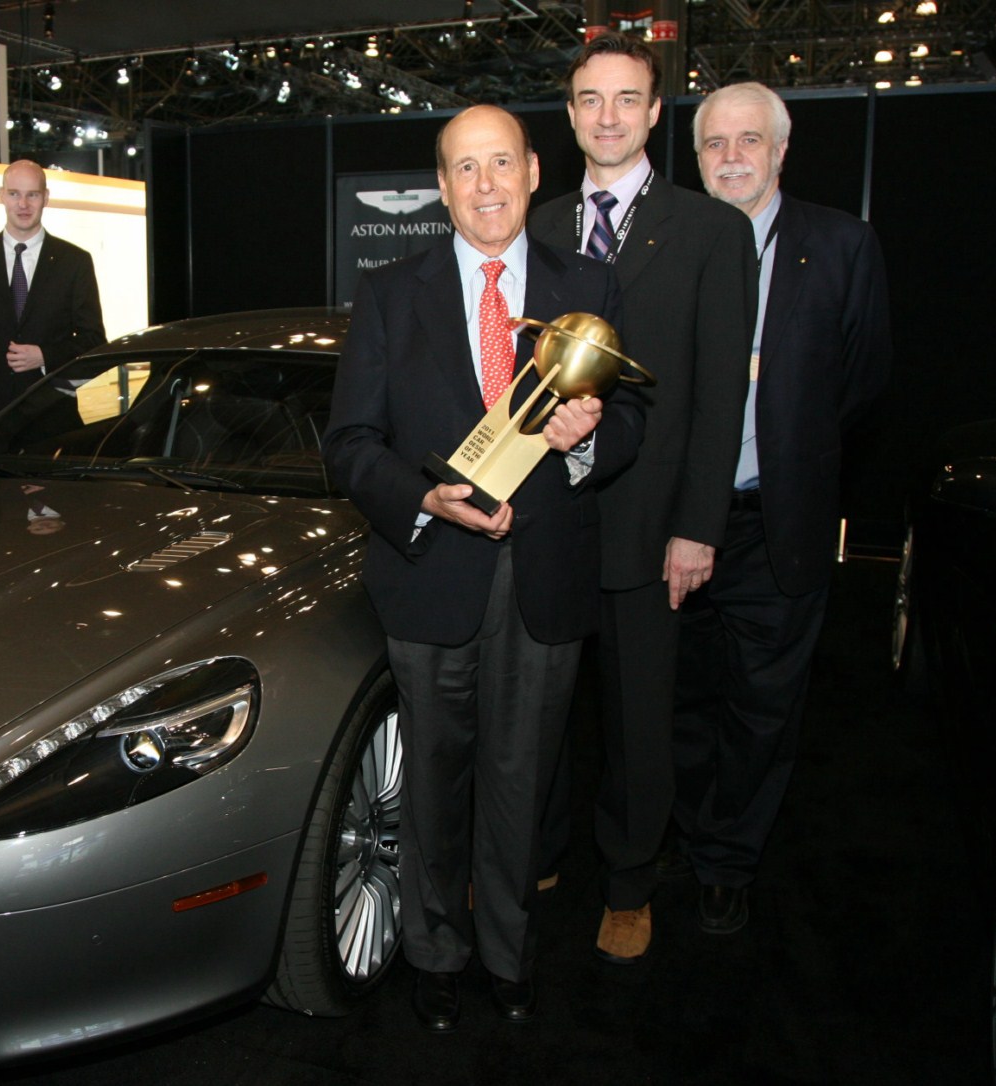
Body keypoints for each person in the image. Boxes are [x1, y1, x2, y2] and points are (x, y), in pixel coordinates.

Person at [324, 104, 644, 1032]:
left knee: (521, 782)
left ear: (534, 171)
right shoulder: (390, 293)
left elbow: (633, 421)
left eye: (500, 162)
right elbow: (350, 444)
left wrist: (587, 441)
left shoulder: (591, 286)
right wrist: (423, 499)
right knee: (432, 780)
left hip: (545, 580)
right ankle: (435, 951)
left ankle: (508, 955)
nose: (486, 185)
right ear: (441, 187)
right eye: (465, 168)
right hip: (430, 573)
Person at [528, 30, 756, 965]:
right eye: (591, 99)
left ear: (657, 113)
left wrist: (698, 527)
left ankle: (628, 883)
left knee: (638, 721)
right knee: (537, 714)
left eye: (628, 98)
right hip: (544, 517)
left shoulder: (711, 232)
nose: (609, 116)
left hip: (653, 524)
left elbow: (718, 397)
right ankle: (537, 856)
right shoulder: (537, 226)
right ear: (571, 113)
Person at [668, 82, 891, 933]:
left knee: (762, 707)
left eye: (749, 141)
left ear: (782, 150)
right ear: (696, 157)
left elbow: (861, 384)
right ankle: (689, 828)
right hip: (677, 525)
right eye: (715, 143)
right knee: (682, 698)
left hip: (778, 521)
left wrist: (789, 451)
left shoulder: (840, 246)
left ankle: (728, 859)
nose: (732, 158)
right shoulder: (667, 246)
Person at [0, 160, 106, 414]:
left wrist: (45, 356)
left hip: (52, 414)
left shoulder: (74, 261)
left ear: (45, 197)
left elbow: (94, 341)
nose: (23, 204)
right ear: (2, 195)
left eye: (32, 195)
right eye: (14, 194)